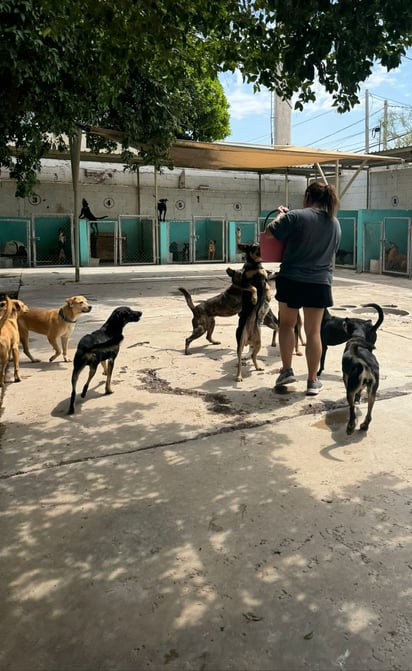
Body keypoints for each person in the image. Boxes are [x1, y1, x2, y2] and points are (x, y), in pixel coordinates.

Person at [265, 181, 341, 396]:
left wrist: (281, 215)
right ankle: (312, 380)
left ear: (308, 196)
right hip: (320, 282)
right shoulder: (334, 223)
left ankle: (287, 370)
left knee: (287, 326)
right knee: (313, 331)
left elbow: (270, 232)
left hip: (291, 279)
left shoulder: (295, 216)